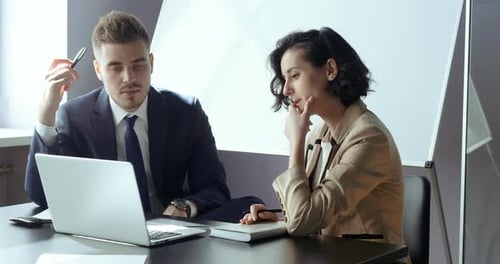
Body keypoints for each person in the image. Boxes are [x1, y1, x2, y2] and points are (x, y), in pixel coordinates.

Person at [24, 10, 256, 221]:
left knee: (252, 205)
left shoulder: (185, 112)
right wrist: (46, 113)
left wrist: (184, 206)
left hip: (173, 233)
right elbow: (42, 196)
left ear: (151, 63)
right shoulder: (75, 117)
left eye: (138, 65)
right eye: (115, 67)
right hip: (106, 232)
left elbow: (215, 188)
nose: (129, 78)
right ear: (98, 70)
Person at [240, 27, 408, 252]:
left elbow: (303, 221)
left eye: (295, 75)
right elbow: (306, 217)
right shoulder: (319, 134)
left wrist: (295, 142)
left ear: (330, 69)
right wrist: (277, 221)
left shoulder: (369, 138)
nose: (287, 90)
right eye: (284, 78)